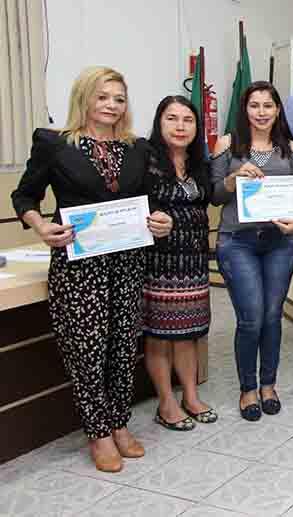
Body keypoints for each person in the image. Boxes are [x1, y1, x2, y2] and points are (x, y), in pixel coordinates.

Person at [11, 66, 173, 472]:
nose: (112, 106)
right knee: (87, 351)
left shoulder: (137, 147)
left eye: (119, 99)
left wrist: (162, 219)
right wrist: (41, 225)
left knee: (121, 348)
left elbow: (151, 200)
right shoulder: (54, 144)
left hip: (128, 261)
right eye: (103, 97)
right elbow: (24, 195)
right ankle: (98, 433)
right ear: (85, 97)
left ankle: (119, 424)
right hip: (79, 267)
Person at [211, 81, 293, 421]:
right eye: (255, 105)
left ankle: (268, 384)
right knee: (251, 318)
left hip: (281, 243)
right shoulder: (227, 144)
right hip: (238, 241)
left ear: (278, 109)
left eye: (268, 105)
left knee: (271, 315)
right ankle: (247, 388)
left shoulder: (292, 148)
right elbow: (214, 194)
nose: (262, 112)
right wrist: (235, 177)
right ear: (245, 110)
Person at [138, 96, 216, 432]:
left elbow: (212, 196)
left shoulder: (200, 162)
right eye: (172, 118)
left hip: (194, 261)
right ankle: (166, 403)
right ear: (159, 122)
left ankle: (191, 396)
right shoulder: (145, 158)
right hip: (160, 263)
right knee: (160, 335)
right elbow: (134, 203)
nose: (180, 126)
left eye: (188, 120)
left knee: (189, 334)